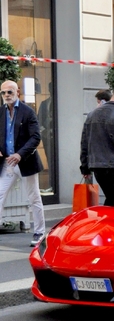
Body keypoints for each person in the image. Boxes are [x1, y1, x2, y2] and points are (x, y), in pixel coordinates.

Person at [0, 80, 46, 246]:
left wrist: (20, 154)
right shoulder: (1, 112)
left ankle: (40, 233)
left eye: (9, 92)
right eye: (3, 93)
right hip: (7, 162)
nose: (6, 96)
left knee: (34, 197)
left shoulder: (28, 112)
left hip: (24, 161)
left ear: (17, 92)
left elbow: (36, 137)